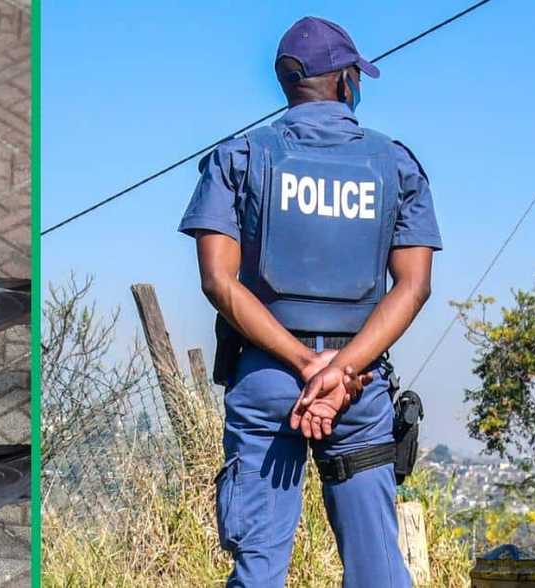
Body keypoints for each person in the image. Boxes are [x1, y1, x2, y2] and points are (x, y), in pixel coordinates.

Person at [177, 16, 442, 587]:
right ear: (347, 81)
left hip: (268, 381)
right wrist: (341, 370)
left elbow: (219, 282)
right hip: (357, 389)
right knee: (378, 572)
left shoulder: (239, 158)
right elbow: (414, 285)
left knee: (259, 570)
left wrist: (302, 364)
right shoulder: (395, 164)